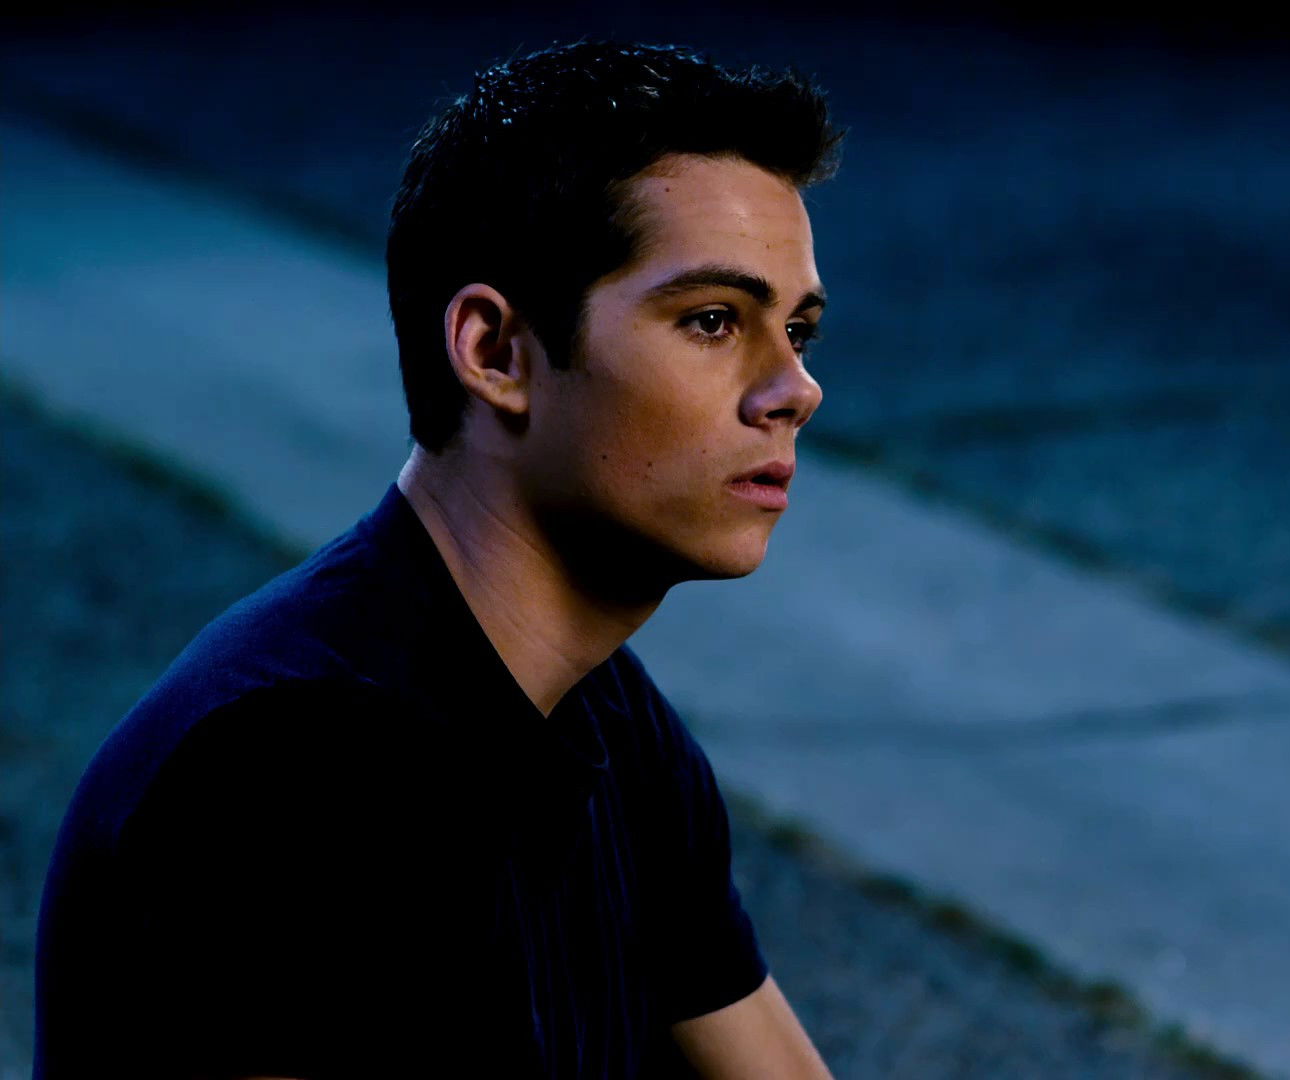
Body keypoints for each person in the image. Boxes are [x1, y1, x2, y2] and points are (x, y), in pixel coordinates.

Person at [34, 39, 839, 1079]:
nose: (795, 389)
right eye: (715, 321)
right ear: (495, 352)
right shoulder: (290, 778)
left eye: (799, 331)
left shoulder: (607, 717)